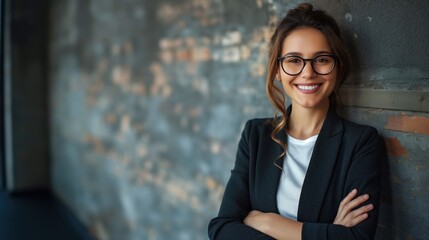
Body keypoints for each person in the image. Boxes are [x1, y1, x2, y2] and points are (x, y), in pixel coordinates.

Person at [208, 3, 386, 240]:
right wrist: (327, 233)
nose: (308, 73)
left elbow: (357, 237)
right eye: (294, 60)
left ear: (337, 67)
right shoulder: (256, 135)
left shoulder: (360, 143)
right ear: (278, 70)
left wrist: (268, 222)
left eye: (321, 59)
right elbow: (221, 229)